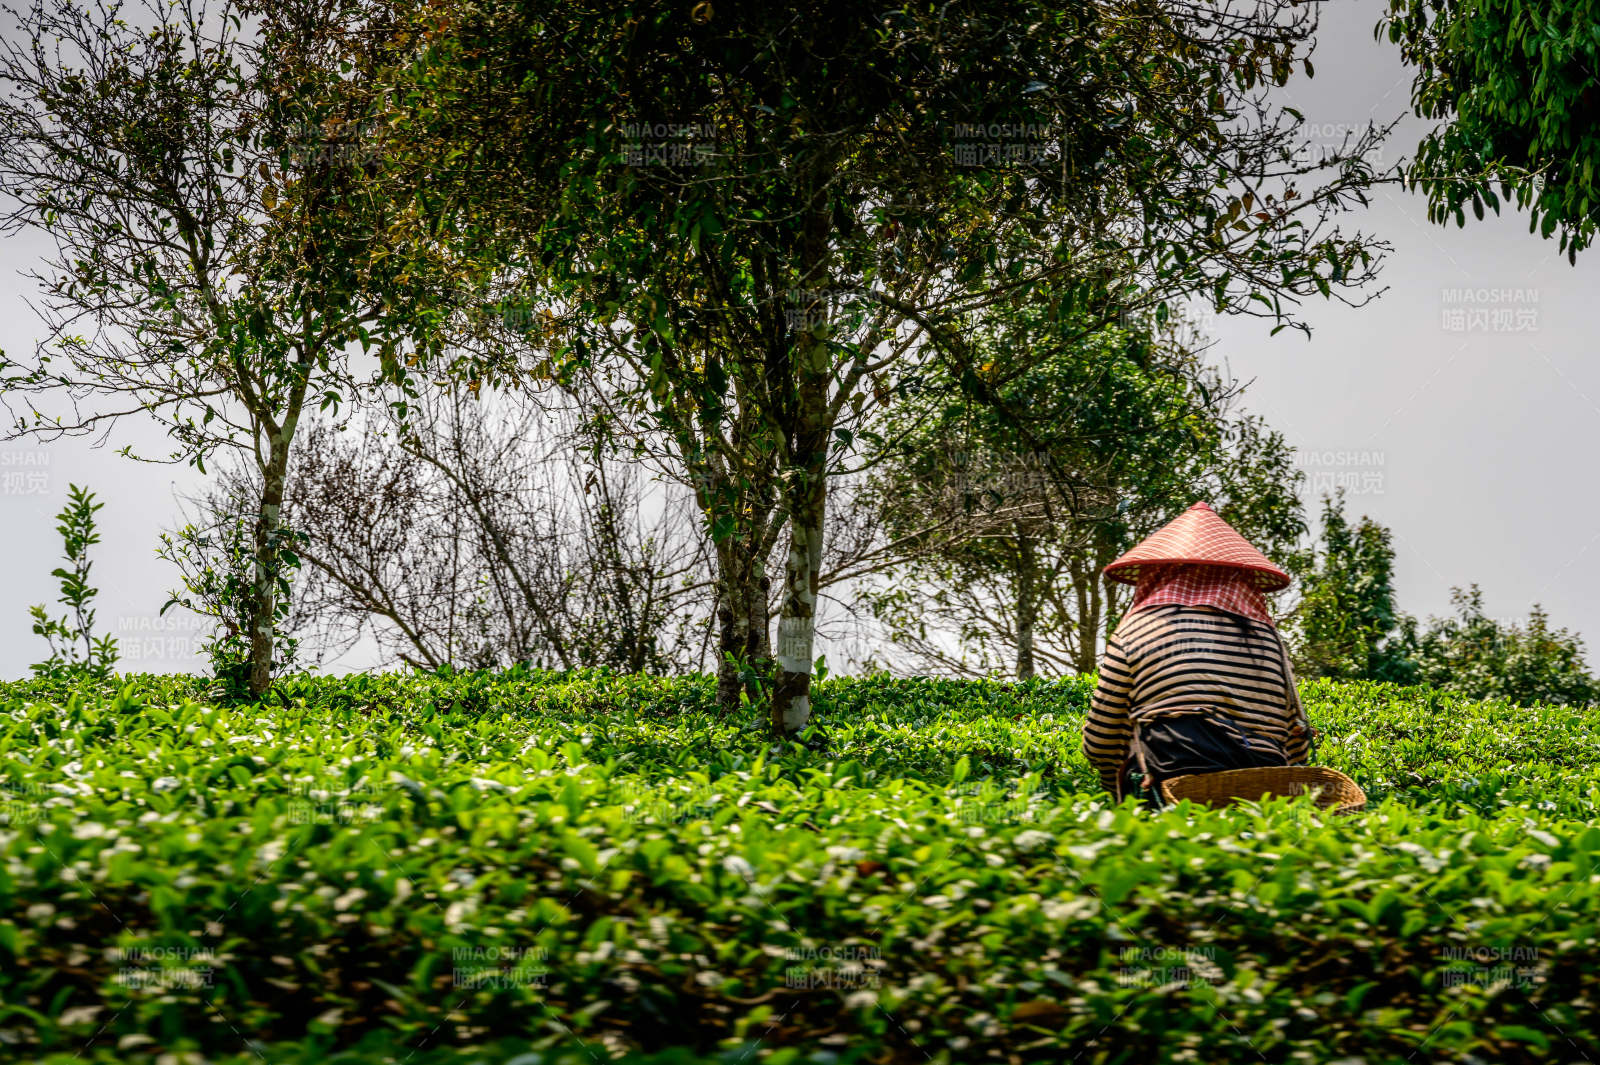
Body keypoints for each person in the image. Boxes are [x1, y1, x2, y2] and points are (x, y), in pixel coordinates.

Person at [1081, 501, 1315, 804]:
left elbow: (1099, 744)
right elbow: (1296, 748)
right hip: (1260, 801)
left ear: (1157, 574)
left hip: (1173, 795)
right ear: (1239, 577)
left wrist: (1117, 792)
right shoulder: (1269, 640)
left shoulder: (1134, 630)